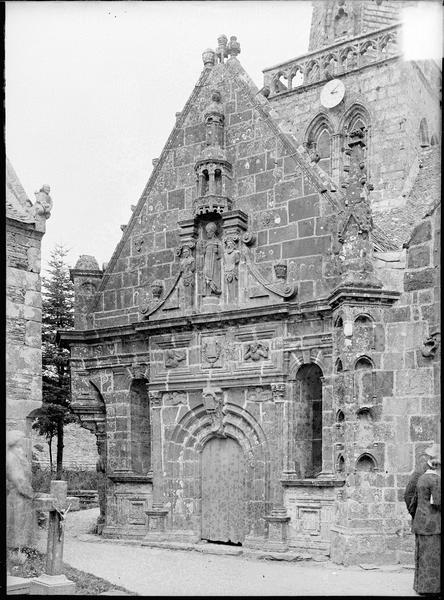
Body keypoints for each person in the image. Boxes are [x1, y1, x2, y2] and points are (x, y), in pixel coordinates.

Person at [408, 444, 441, 596]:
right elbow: (437, 502)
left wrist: (417, 518)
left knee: (422, 555)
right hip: (432, 523)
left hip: (421, 522)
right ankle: (430, 589)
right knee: (430, 556)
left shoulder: (422, 476)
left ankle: (421, 586)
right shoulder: (432, 478)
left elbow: (415, 498)